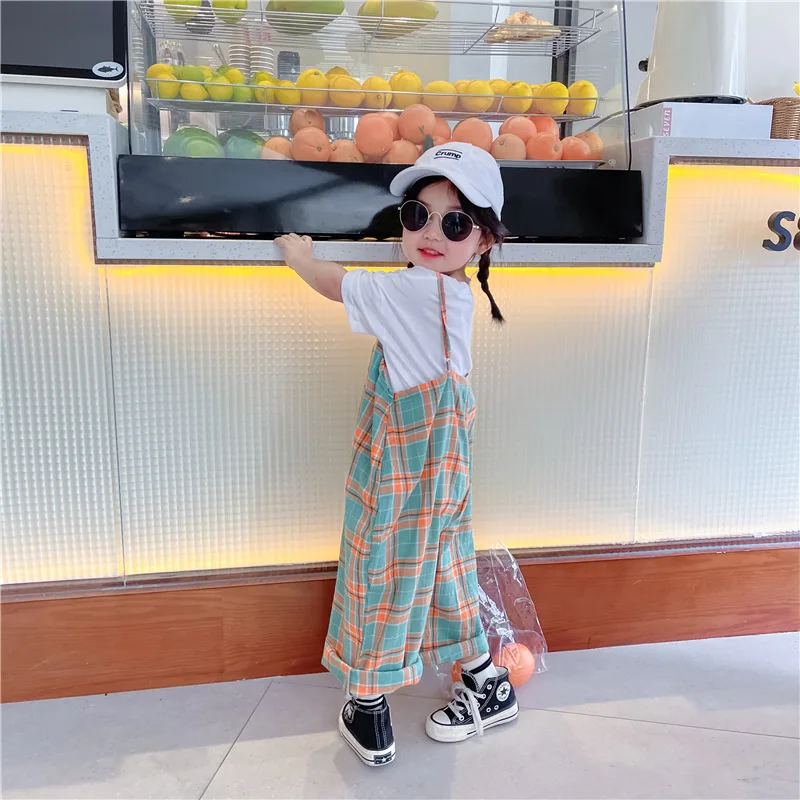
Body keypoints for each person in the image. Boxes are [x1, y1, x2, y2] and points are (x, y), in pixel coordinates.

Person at [275, 142, 518, 767]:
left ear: (483, 241)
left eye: (455, 223)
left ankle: (368, 701)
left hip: (404, 456)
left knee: (379, 559)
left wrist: (301, 258)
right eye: (418, 216)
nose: (432, 234)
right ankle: (486, 681)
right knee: (443, 557)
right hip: (446, 452)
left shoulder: (412, 290)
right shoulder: (454, 293)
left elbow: (336, 285)